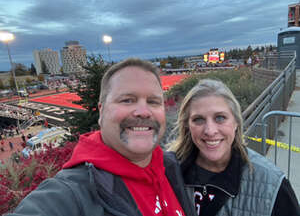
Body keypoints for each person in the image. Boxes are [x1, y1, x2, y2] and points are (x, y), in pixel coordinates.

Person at [7, 58, 196, 216]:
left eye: (153, 101)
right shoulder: (72, 194)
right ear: (102, 112)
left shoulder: (172, 166)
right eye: (127, 100)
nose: (143, 112)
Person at [168, 79, 300, 216]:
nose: (210, 130)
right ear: (187, 126)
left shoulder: (272, 184)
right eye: (198, 119)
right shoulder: (168, 173)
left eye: (220, 118)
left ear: (236, 122)